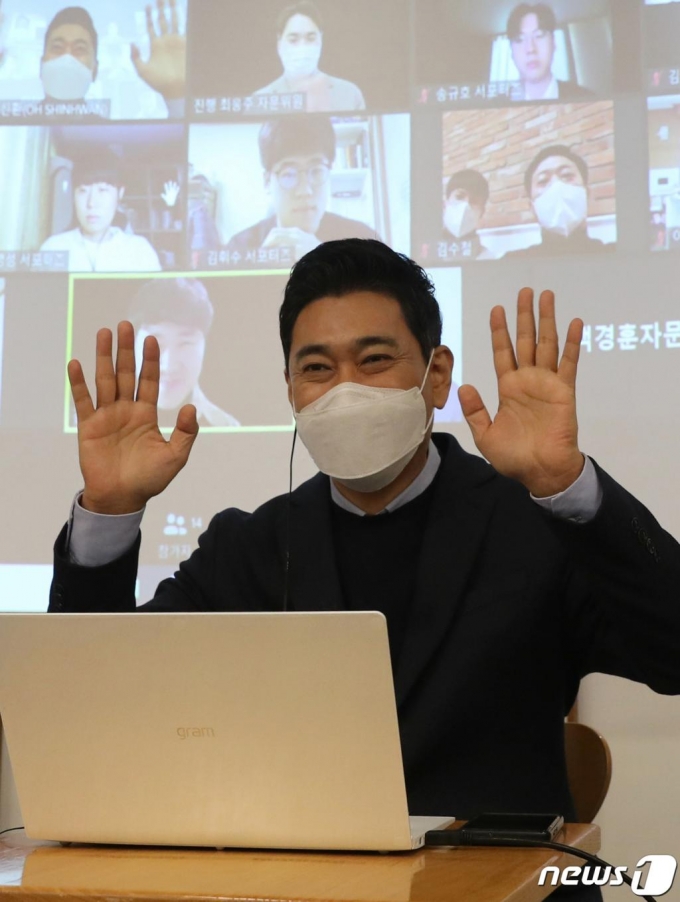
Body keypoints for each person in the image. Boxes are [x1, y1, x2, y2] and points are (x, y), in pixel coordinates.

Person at [53, 240, 680, 902]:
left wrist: (568, 486)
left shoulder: (537, 524)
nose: (344, 388)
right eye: (316, 368)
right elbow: (97, 703)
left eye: (374, 360)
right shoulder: (250, 546)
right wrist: (109, 513)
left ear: (436, 376)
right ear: (291, 391)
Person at [225, 117, 376, 263]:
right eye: (288, 175)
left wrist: (324, 260)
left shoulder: (362, 239)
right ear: (267, 181)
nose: (305, 191)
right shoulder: (240, 247)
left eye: (316, 171)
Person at [36, 2, 185, 117]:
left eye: (79, 49)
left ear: (95, 70)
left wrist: (174, 94)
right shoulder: (22, 118)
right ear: (41, 66)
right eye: (57, 47)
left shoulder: (108, 137)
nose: (67, 57)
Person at [129, 278, 240, 429]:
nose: (169, 365)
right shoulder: (104, 428)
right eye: (155, 343)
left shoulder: (227, 428)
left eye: (185, 344)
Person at [40, 151, 162, 273]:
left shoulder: (140, 251)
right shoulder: (53, 248)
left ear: (120, 194)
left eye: (102, 190)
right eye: (83, 191)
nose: (91, 203)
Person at [253, 1, 365, 113]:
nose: (303, 46)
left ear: (321, 40)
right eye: (293, 40)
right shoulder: (259, 101)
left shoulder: (349, 94)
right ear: (279, 43)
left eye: (310, 38)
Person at [503, 145, 613, 258]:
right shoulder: (510, 262)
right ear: (532, 208)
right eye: (543, 181)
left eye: (567, 175)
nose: (556, 185)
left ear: (586, 195)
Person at [507, 3, 596, 102]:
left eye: (539, 36)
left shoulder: (587, 99)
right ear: (512, 52)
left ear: (553, 43)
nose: (530, 49)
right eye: (519, 39)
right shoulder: (497, 103)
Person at [442, 169, 497, 261]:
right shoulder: (425, 252)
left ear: (482, 212)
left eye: (474, 201)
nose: (465, 206)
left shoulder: (488, 259)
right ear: (444, 205)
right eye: (459, 197)